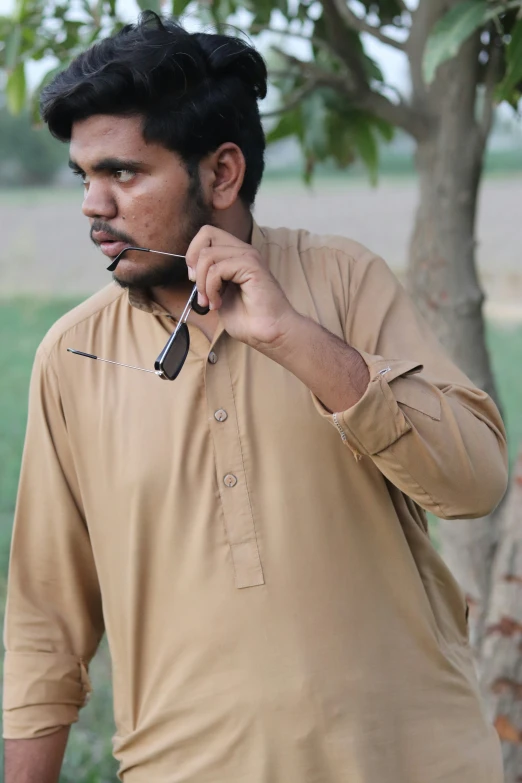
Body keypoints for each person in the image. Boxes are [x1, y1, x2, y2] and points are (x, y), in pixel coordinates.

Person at [2, 11, 508, 783]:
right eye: (84, 176)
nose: (92, 206)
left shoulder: (345, 282)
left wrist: (293, 337)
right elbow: (45, 625)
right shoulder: (73, 356)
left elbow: (475, 482)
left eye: (123, 173)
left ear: (223, 173)